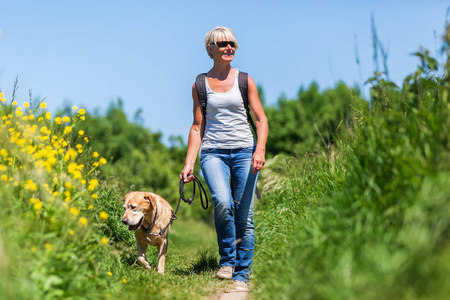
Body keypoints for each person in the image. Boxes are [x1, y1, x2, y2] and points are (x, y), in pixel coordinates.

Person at [180, 26, 268, 290]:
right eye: (222, 44)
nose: (229, 47)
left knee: (245, 213)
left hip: (244, 151)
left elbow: (261, 119)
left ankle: (243, 274)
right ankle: (227, 262)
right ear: (210, 49)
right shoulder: (199, 84)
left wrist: (260, 149)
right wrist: (189, 163)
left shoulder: (245, 80)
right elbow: (197, 127)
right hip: (213, 152)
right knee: (222, 201)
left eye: (232, 43)